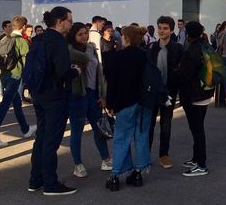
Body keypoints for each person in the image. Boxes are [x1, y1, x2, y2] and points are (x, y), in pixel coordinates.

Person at [29, 6, 80, 196]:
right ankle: (50, 183)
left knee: (41, 138)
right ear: (60, 21)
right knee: (51, 141)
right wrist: (75, 71)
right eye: (70, 21)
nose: (71, 24)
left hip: (39, 93)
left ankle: (35, 180)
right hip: (55, 96)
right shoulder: (58, 42)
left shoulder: (39, 39)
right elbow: (63, 72)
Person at [103, 25, 152, 191]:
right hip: (144, 102)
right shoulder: (146, 55)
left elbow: (113, 85)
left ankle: (116, 176)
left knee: (121, 138)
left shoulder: (117, 57)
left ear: (127, 38)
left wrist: (110, 105)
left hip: (124, 102)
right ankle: (138, 173)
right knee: (141, 136)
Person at [66, 22, 111, 178]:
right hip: (77, 95)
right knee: (77, 131)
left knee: (99, 128)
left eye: (86, 33)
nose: (85, 36)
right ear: (73, 36)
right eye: (80, 34)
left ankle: (106, 159)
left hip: (93, 94)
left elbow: (100, 72)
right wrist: (91, 46)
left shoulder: (91, 49)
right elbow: (84, 58)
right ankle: (77, 164)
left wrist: (103, 95)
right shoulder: (71, 50)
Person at [178, 21, 214, 177]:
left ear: (188, 34)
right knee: (197, 128)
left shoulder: (190, 50)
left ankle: (201, 164)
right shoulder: (206, 46)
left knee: (197, 129)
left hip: (194, 94)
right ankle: (196, 158)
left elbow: (185, 75)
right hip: (206, 92)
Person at [148, 16, 183, 169]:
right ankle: (145, 154)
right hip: (152, 92)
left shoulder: (178, 48)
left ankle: (164, 155)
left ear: (171, 30)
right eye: (160, 27)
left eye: (165, 28)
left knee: (166, 124)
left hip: (169, 92)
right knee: (148, 125)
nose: (161, 31)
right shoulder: (151, 47)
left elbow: (182, 70)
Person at [0, 15, 36, 148]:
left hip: (4, 75)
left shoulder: (4, 38)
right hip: (15, 76)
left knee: (17, 102)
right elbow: (27, 63)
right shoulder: (21, 41)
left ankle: (25, 129)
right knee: (4, 106)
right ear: (24, 27)